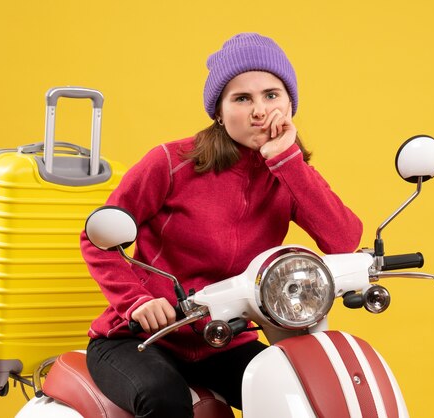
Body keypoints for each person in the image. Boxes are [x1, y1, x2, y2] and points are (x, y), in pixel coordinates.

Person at [80, 32, 363, 418]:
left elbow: (344, 240)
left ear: (290, 103)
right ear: (218, 110)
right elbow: (97, 238)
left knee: (299, 397)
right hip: (141, 339)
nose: (259, 111)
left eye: (271, 95)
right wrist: (138, 302)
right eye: (242, 98)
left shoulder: (288, 173)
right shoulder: (170, 161)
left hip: (223, 339)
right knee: (163, 398)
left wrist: (287, 161)